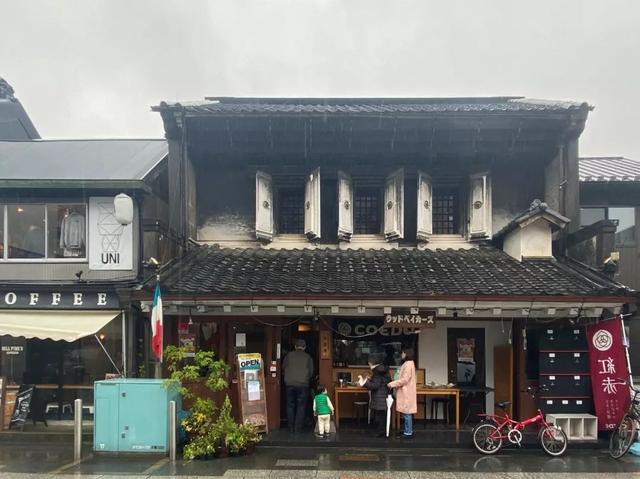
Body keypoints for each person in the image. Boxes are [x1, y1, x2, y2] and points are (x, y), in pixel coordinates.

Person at [282, 339, 313, 433]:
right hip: (303, 384)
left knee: (290, 405)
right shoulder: (308, 357)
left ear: (295, 346)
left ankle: (290, 427)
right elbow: (311, 372)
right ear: (304, 347)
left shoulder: (288, 355)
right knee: (301, 406)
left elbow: (283, 367)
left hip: (289, 383)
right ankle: (297, 428)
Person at [387, 347, 417, 438]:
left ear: (406, 353)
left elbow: (404, 380)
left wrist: (392, 384)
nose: (401, 354)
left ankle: (408, 433)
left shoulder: (408, 364)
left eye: (402, 353)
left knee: (407, 413)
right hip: (407, 391)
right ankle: (407, 430)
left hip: (406, 391)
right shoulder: (409, 363)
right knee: (406, 412)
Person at [359, 355, 391, 438]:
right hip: (385, 394)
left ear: (370, 363)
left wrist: (364, 383)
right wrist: (370, 380)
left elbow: (375, 386)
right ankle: (382, 431)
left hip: (379, 395)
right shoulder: (383, 369)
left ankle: (380, 433)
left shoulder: (376, 371)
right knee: (382, 415)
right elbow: (382, 381)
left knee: (380, 415)